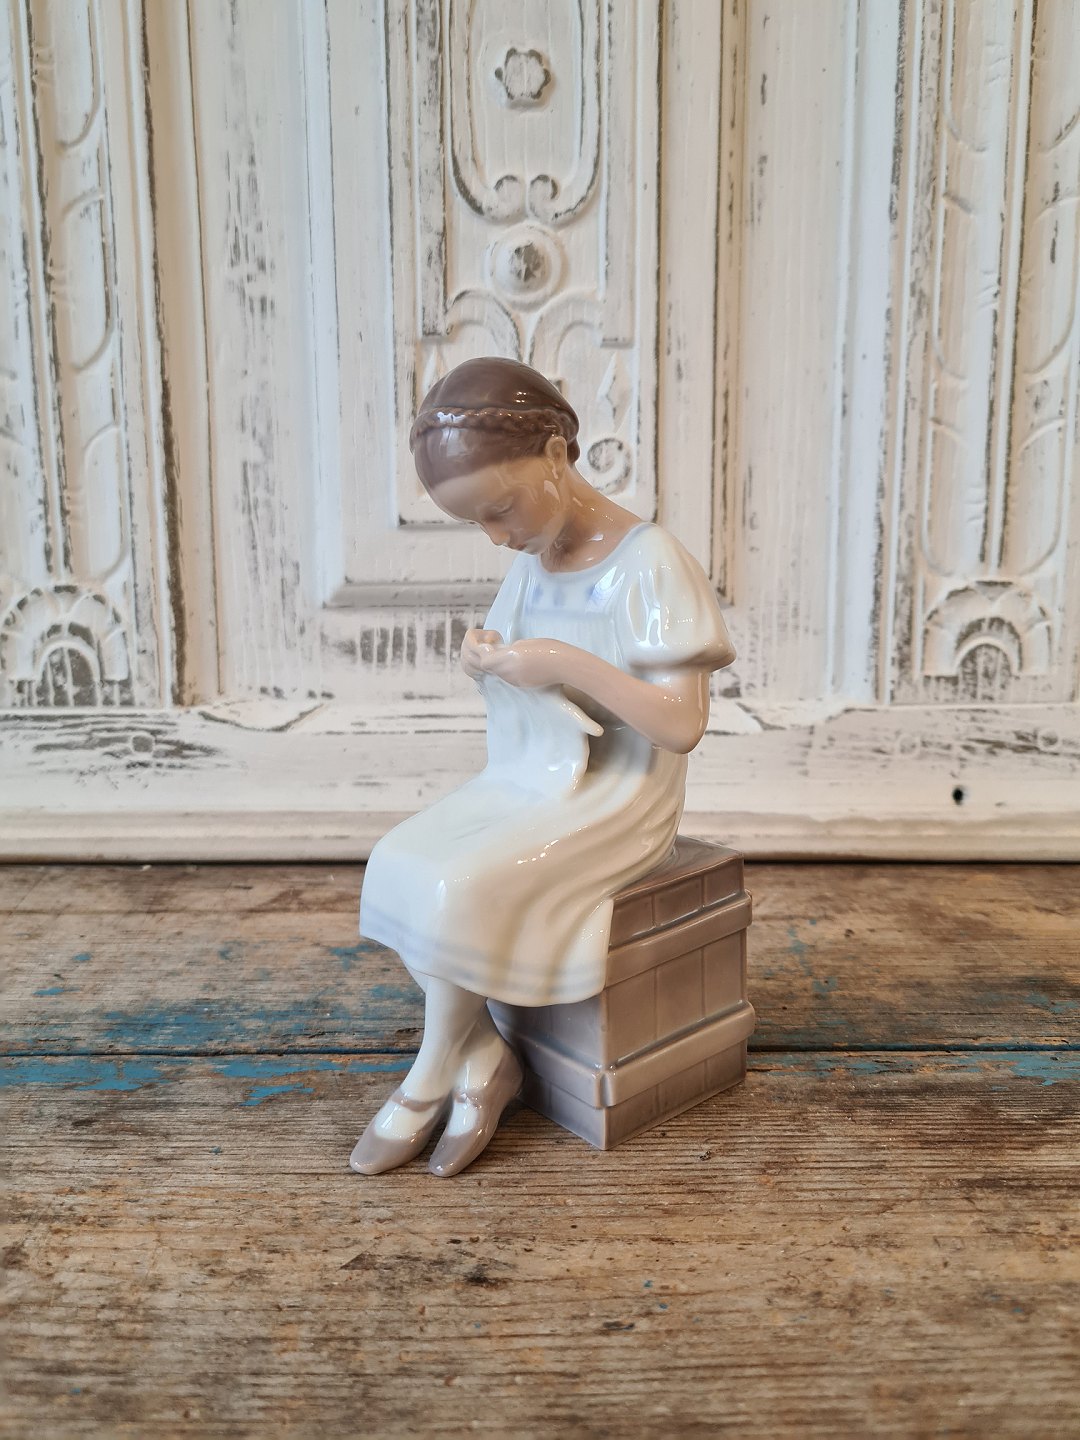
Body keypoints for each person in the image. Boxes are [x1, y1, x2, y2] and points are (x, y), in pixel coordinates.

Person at [350, 357, 735, 1177]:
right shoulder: (533, 562)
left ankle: (428, 1075)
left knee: (462, 885)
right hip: (534, 775)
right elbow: (516, 663)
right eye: (477, 524)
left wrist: (560, 659)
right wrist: (485, 659)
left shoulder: (649, 562)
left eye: (500, 509)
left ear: (556, 455)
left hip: (621, 792)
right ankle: (483, 1054)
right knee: (400, 860)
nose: (498, 538)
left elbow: (681, 725)